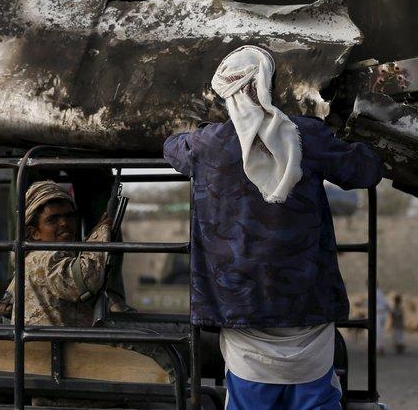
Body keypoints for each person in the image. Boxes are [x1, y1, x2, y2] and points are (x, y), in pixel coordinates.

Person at [163, 45, 383, 410]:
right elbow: (365, 169)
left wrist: (200, 128)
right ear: (268, 85)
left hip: (239, 308)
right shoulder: (305, 136)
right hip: (306, 306)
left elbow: (172, 146)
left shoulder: (207, 144)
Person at [0, 180, 111, 327]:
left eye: (69, 216)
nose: (64, 223)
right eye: (53, 219)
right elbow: (84, 280)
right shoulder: (45, 257)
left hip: (52, 346)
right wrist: (101, 236)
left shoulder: (33, 256)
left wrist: (92, 239)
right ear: (34, 232)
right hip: (50, 348)